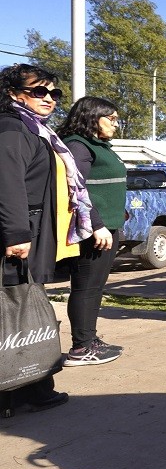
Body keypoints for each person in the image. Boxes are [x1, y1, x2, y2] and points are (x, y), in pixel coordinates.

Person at [0, 64, 84, 414]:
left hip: (30, 226)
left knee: (25, 308)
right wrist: (17, 233)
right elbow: (8, 184)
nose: (49, 99)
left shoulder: (34, 129)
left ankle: (32, 385)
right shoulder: (12, 129)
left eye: (54, 93)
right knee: (13, 311)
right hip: (19, 230)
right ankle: (15, 390)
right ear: (14, 94)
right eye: (39, 91)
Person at [57, 96, 127, 366]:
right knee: (86, 287)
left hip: (108, 226)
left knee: (96, 287)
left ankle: (90, 339)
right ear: (91, 116)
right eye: (111, 118)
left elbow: (104, 185)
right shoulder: (78, 145)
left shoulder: (99, 145)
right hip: (94, 231)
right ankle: (81, 348)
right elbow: (78, 189)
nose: (115, 124)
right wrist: (97, 225)